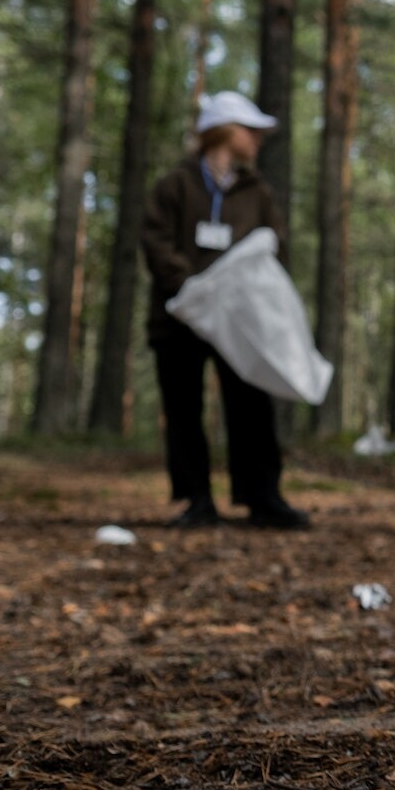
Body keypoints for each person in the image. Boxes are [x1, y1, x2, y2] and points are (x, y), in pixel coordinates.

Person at [142, 92, 309, 530]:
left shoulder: (257, 192)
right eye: (250, 130)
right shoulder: (175, 185)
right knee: (183, 409)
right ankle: (196, 498)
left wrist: (243, 294)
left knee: (252, 403)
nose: (257, 140)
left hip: (239, 321)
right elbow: (156, 242)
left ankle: (263, 497)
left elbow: (274, 247)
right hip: (179, 318)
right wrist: (190, 288)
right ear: (225, 131)